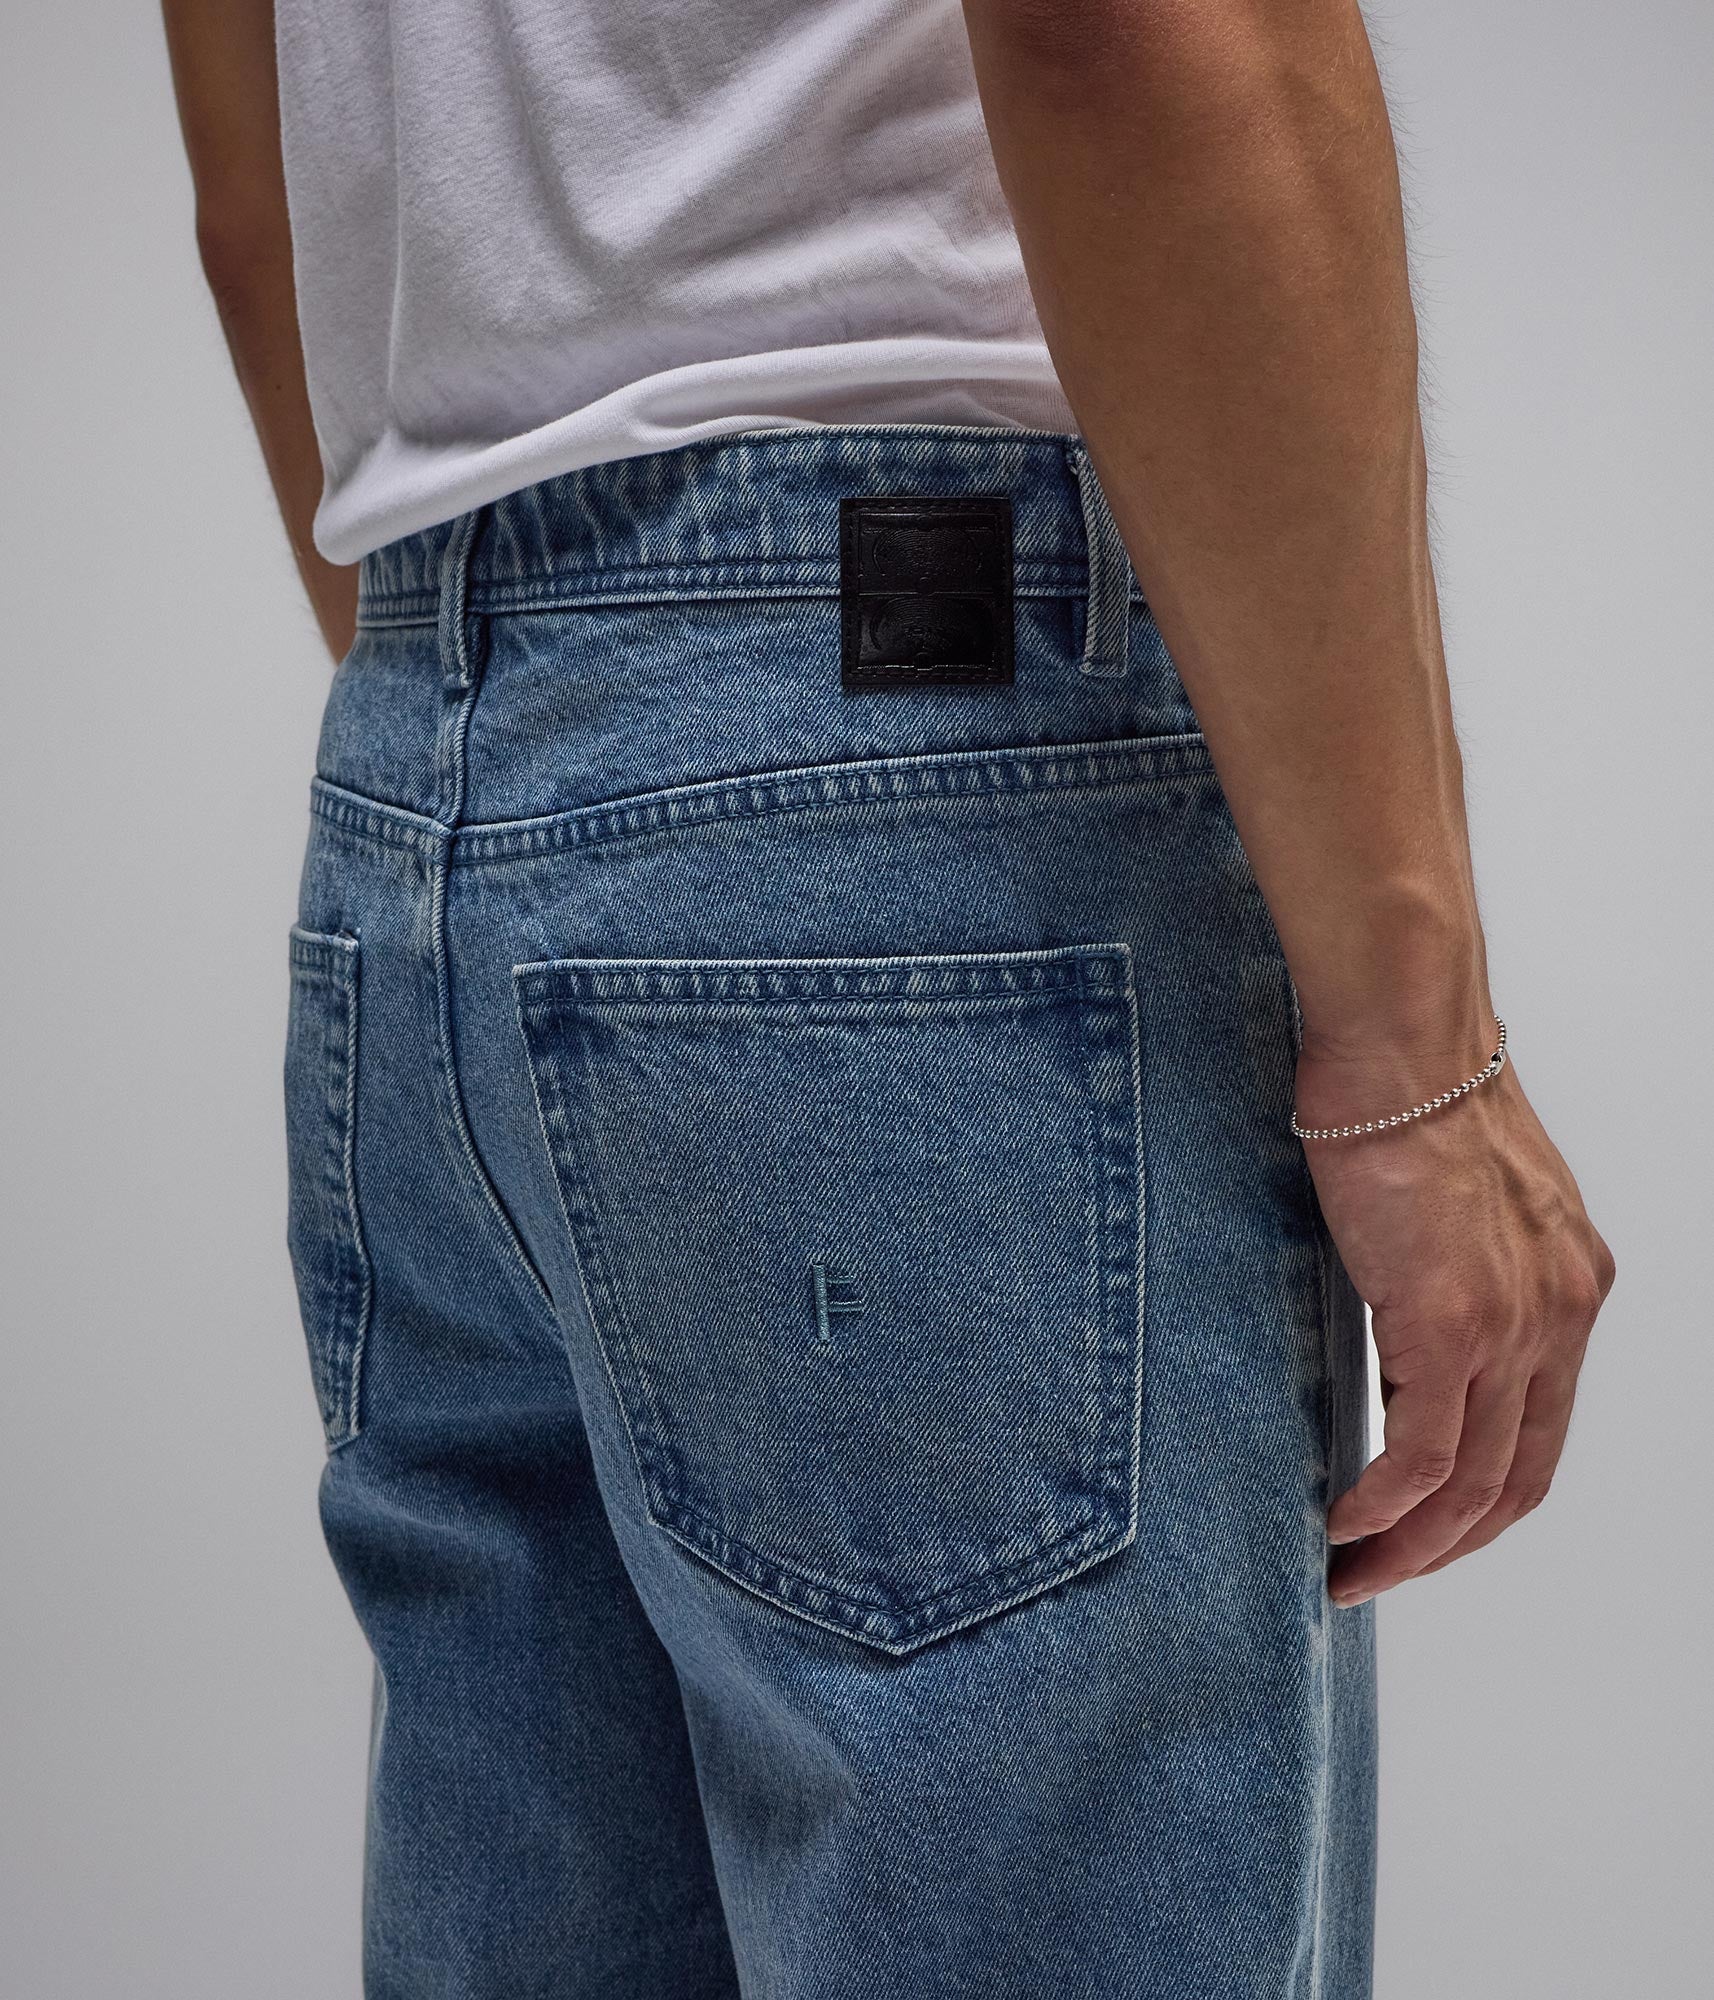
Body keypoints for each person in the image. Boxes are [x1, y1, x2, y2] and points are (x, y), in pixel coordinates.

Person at [163, 2, 1614, 1993]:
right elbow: (1131, 32)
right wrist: (1415, 1053)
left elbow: (253, 202)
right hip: (921, 788)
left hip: (430, 772)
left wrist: (567, 733)